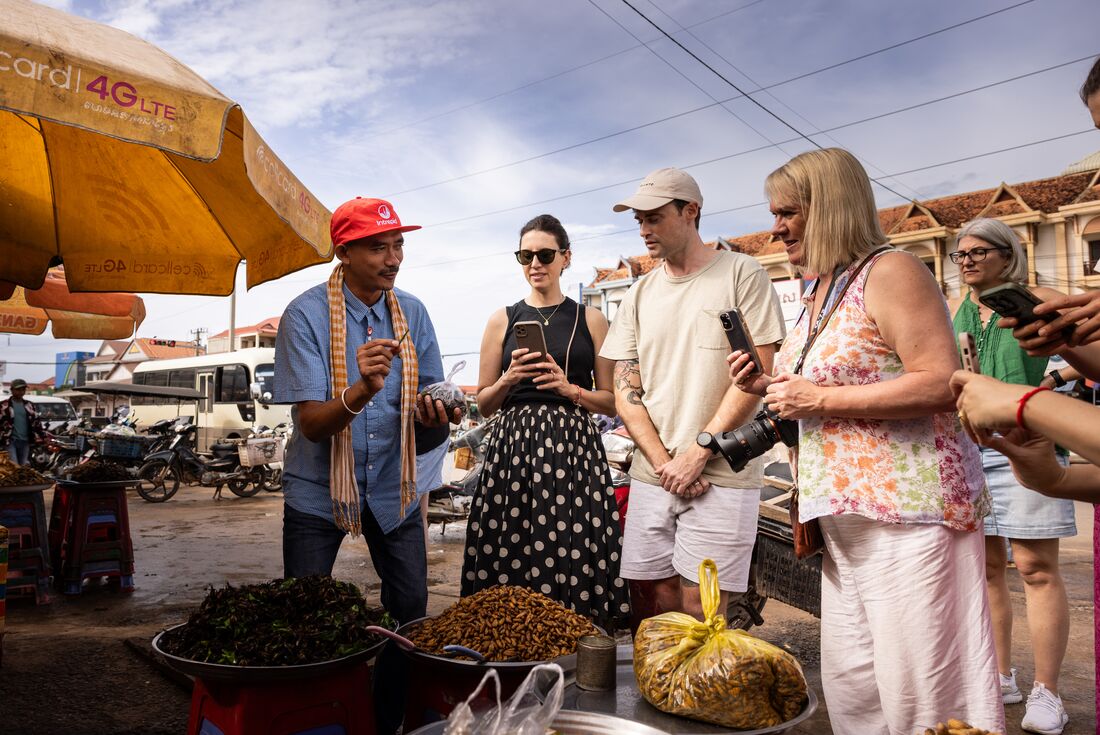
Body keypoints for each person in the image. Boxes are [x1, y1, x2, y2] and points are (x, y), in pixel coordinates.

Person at [727, 148, 1002, 734]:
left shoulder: (893, 270)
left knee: (922, 696)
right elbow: (835, 384)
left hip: (909, 519)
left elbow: (940, 382)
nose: (775, 228)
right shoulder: (821, 288)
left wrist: (816, 399)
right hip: (845, 525)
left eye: (788, 212)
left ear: (829, 208)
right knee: (856, 695)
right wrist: (770, 385)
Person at [273, 196, 460, 735]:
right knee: (303, 615)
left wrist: (439, 408)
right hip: (317, 489)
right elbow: (311, 424)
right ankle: (310, 720)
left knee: (412, 612)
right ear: (344, 251)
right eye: (378, 246)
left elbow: (434, 392)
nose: (393, 257)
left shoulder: (413, 313)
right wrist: (363, 389)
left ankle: (383, 719)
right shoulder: (306, 315)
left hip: (391, 487)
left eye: (398, 244)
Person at [599, 168, 786, 621]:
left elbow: (757, 373)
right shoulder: (639, 292)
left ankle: (702, 695)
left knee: (703, 607)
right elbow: (626, 391)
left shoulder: (742, 272)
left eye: (654, 217)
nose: (644, 230)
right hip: (654, 473)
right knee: (658, 598)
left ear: (690, 211)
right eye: (639, 220)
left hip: (721, 471)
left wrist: (699, 451)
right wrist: (668, 464)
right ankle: (663, 693)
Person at [463, 214, 630, 629]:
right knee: (511, 544)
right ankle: (510, 643)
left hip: (572, 445)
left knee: (571, 543)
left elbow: (611, 402)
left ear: (565, 258)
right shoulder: (501, 319)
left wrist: (568, 388)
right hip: (513, 446)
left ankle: (573, 644)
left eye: (545, 254)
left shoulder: (591, 320)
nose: (535, 263)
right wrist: (511, 378)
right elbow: (484, 404)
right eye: (525, 255)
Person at [947, 217, 1075, 734]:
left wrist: (1059, 376)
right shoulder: (954, 311)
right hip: (974, 448)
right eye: (961, 254)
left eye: (981, 251)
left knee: (1035, 567)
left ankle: (1050, 693)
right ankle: (1001, 676)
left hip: (1030, 444)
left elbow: (1087, 347)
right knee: (987, 569)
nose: (969, 260)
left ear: (1008, 254)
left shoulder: (1036, 297)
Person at [0, 379, 44, 465]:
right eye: (18, 389)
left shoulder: (29, 405)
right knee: (14, 466)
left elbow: (36, 423)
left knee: (22, 467)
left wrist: (42, 436)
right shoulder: (3, 406)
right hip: (10, 441)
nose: (21, 392)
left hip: (25, 441)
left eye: (23, 389)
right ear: (12, 390)